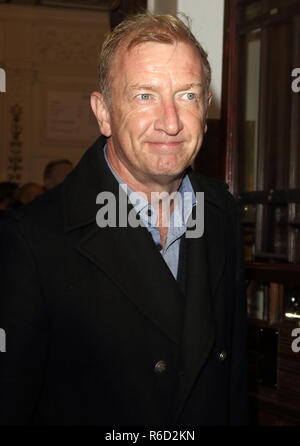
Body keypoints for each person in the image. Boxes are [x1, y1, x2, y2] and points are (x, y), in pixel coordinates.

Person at [0, 13, 248, 426]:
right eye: (144, 96)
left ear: (206, 109)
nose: (170, 122)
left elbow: (232, 384)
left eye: (187, 95)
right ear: (104, 112)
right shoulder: (30, 239)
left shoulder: (220, 213)